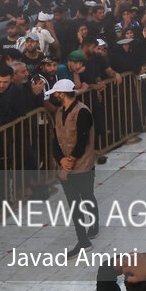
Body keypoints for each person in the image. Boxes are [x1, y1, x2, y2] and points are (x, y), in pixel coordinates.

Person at [44, 78, 97, 255]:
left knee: (87, 195)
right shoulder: (60, 112)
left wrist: (69, 162)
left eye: (55, 94)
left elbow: (82, 141)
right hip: (66, 164)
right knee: (74, 203)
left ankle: (94, 224)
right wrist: (61, 160)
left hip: (83, 164)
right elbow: (55, 140)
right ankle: (83, 240)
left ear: (60, 94)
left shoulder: (82, 112)